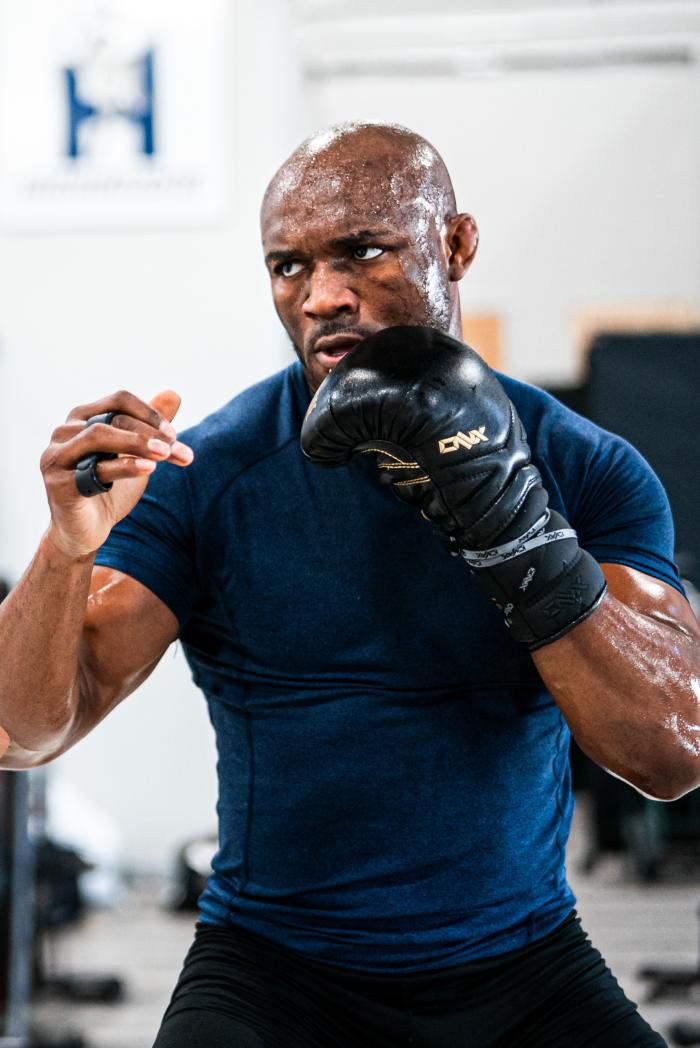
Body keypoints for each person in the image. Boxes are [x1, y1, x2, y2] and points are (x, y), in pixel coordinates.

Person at [0, 121, 698, 1047]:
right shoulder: (211, 475)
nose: (323, 296)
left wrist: (509, 525)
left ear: (456, 246)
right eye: (288, 267)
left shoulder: (586, 467)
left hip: (524, 967)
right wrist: (67, 545)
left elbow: (670, 757)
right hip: (270, 974)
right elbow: (22, 730)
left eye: (363, 252)